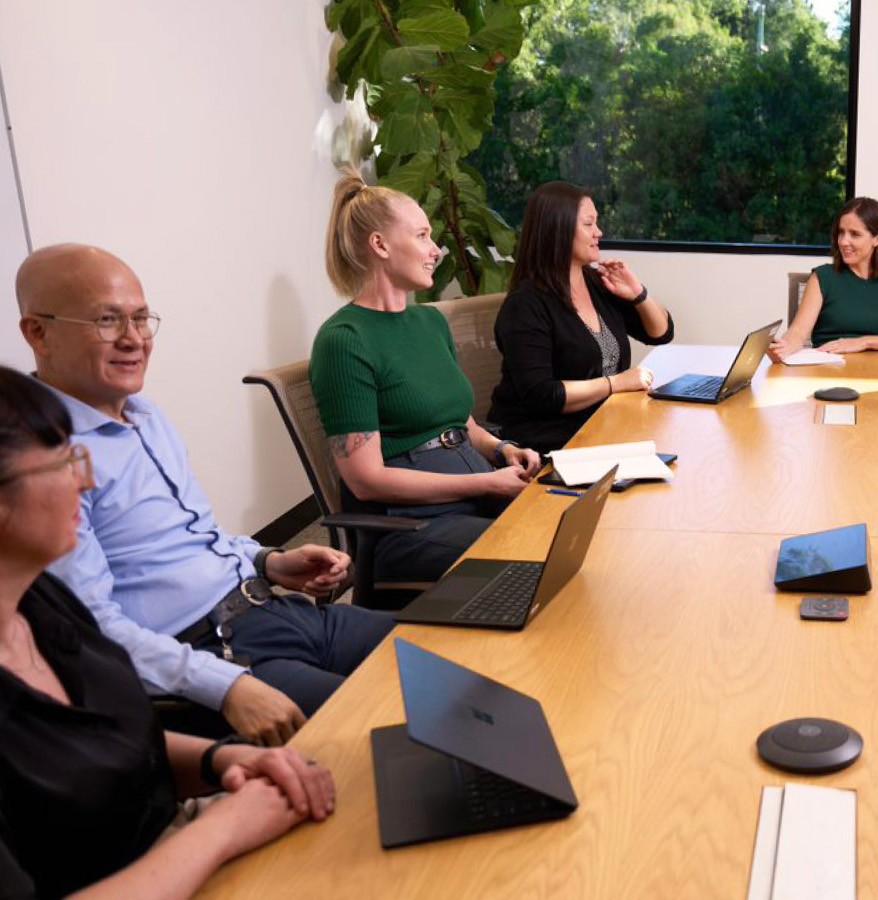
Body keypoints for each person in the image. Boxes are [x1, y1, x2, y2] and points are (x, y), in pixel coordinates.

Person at [19, 243, 393, 746]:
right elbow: (90, 627)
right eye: (107, 320)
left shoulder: (146, 417)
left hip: (273, 609)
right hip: (207, 655)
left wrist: (268, 560)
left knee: (440, 656)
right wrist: (224, 686)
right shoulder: (39, 461)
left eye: (141, 318)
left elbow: (196, 537)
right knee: (384, 725)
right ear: (37, 333)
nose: (134, 339)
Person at [0, 365, 336, 900]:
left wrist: (216, 760)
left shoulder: (42, 603)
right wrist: (223, 829)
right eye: (65, 462)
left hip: (184, 839)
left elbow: (105, 749)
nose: (86, 481)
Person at [312, 171, 543, 587]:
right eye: (421, 236)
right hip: (411, 526)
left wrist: (502, 449)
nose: (436, 250)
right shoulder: (344, 340)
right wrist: (486, 483)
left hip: (475, 495)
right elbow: (366, 481)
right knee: (534, 549)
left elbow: (461, 422)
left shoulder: (429, 322)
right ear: (380, 245)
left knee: (568, 521)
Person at [487, 181, 675, 455]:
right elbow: (542, 395)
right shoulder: (525, 305)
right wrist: (615, 383)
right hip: (546, 441)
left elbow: (660, 333)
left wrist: (638, 294)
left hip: (603, 424)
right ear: (558, 230)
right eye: (588, 224)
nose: (599, 232)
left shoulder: (597, 283)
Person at [766, 197, 878, 361]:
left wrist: (864, 342)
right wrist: (782, 348)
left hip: (877, 370)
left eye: (854, 234)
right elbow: (798, 333)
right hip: (828, 368)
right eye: (841, 232)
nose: (843, 241)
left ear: (877, 239)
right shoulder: (823, 277)